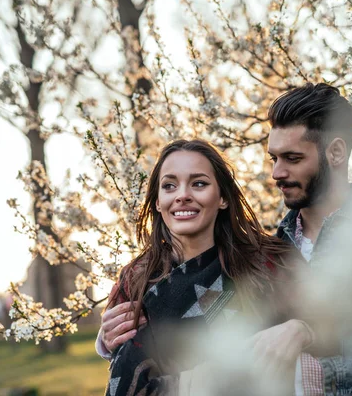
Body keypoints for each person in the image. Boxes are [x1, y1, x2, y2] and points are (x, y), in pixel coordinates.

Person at [99, 84, 352, 395]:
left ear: (336, 153)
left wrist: (320, 372)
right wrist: (114, 343)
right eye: (274, 158)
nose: (277, 173)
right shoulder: (266, 253)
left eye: (292, 158)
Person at [99, 139, 313, 396]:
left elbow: (328, 325)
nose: (182, 195)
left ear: (222, 197)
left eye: (199, 183)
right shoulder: (137, 277)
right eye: (169, 186)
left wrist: (303, 328)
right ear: (157, 202)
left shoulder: (269, 261)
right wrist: (104, 341)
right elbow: (123, 362)